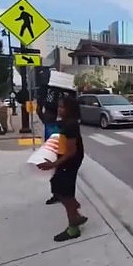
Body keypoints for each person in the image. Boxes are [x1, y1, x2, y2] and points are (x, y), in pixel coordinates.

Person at [37, 96, 88, 242]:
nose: (59, 109)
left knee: (65, 193)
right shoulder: (65, 122)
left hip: (69, 162)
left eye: (62, 107)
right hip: (66, 161)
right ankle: (76, 214)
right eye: (59, 106)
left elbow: (71, 151)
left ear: (70, 109)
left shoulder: (71, 125)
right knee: (60, 190)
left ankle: (73, 229)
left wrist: (53, 164)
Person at [37, 86, 68, 205]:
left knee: (54, 160)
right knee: (58, 162)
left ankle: (57, 193)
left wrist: (45, 119)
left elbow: (39, 110)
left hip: (52, 126)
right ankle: (60, 193)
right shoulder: (60, 96)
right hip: (56, 127)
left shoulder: (47, 93)